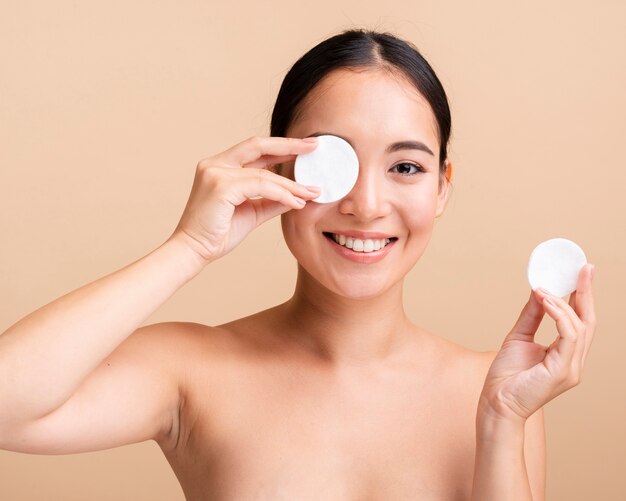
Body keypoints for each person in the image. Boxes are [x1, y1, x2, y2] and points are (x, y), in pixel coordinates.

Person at [0, 28, 596, 500]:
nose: (365, 205)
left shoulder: (496, 390)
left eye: (406, 167)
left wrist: (500, 421)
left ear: (442, 187)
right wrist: (189, 247)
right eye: (334, 163)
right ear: (279, 170)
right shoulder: (192, 373)